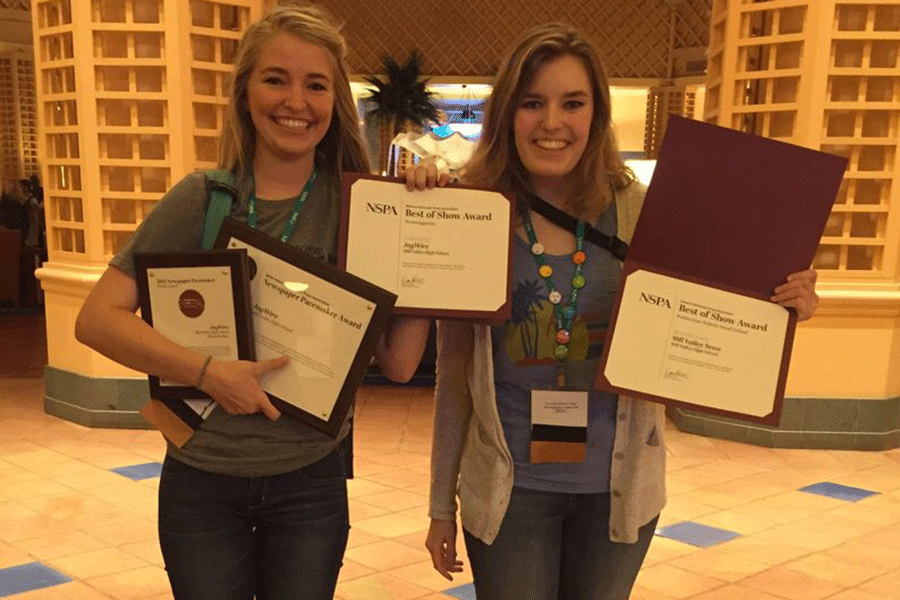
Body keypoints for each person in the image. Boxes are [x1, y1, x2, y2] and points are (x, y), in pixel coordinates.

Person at [413, 23, 820, 600]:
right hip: (508, 491)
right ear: (507, 114)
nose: (552, 123)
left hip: (618, 491)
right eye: (533, 103)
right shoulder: (475, 216)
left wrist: (783, 306)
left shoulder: (645, 212)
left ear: (597, 115)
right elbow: (453, 372)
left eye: (572, 103)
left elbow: (713, 313)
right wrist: (438, 505)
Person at [75, 4, 429, 600]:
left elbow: (397, 363)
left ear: (335, 101)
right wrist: (209, 374)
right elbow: (97, 320)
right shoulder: (202, 198)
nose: (296, 101)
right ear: (245, 93)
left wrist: (426, 233)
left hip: (310, 481)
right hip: (202, 480)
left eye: (316, 84)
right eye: (276, 79)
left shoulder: (362, 208)